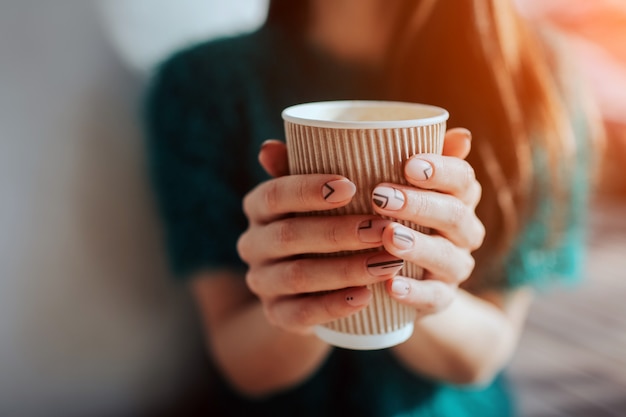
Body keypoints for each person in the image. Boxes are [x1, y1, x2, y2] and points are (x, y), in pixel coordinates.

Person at [144, 0, 597, 415]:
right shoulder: (203, 85)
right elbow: (243, 366)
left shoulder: (529, 74)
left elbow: (481, 356)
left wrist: (427, 291)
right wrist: (300, 300)